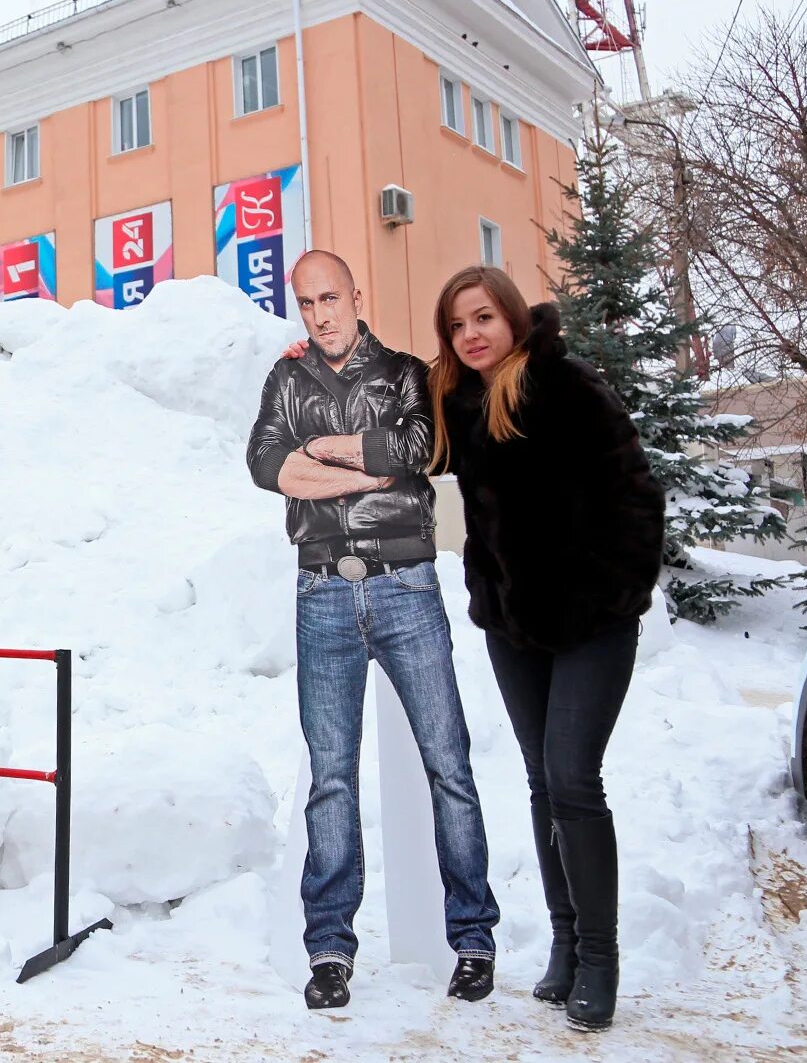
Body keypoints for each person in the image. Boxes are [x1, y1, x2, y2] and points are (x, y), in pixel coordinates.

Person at [248, 250, 499, 1011]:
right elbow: (268, 466)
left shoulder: (404, 375)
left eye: (330, 297)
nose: (319, 313)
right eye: (306, 302)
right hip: (321, 589)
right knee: (331, 778)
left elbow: (416, 449)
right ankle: (329, 952)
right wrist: (363, 472)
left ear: (357, 295)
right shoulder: (286, 380)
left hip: (406, 587)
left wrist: (323, 451)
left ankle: (475, 941)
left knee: (448, 764)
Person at [425, 266, 665, 1032]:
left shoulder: (566, 387)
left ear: (513, 320)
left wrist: (613, 589)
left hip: (592, 623)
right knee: (539, 781)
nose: (471, 335)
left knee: (572, 778)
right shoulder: (460, 403)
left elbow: (637, 494)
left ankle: (601, 957)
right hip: (515, 626)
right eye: (458, 325)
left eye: (484, 317)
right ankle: (564, 944)